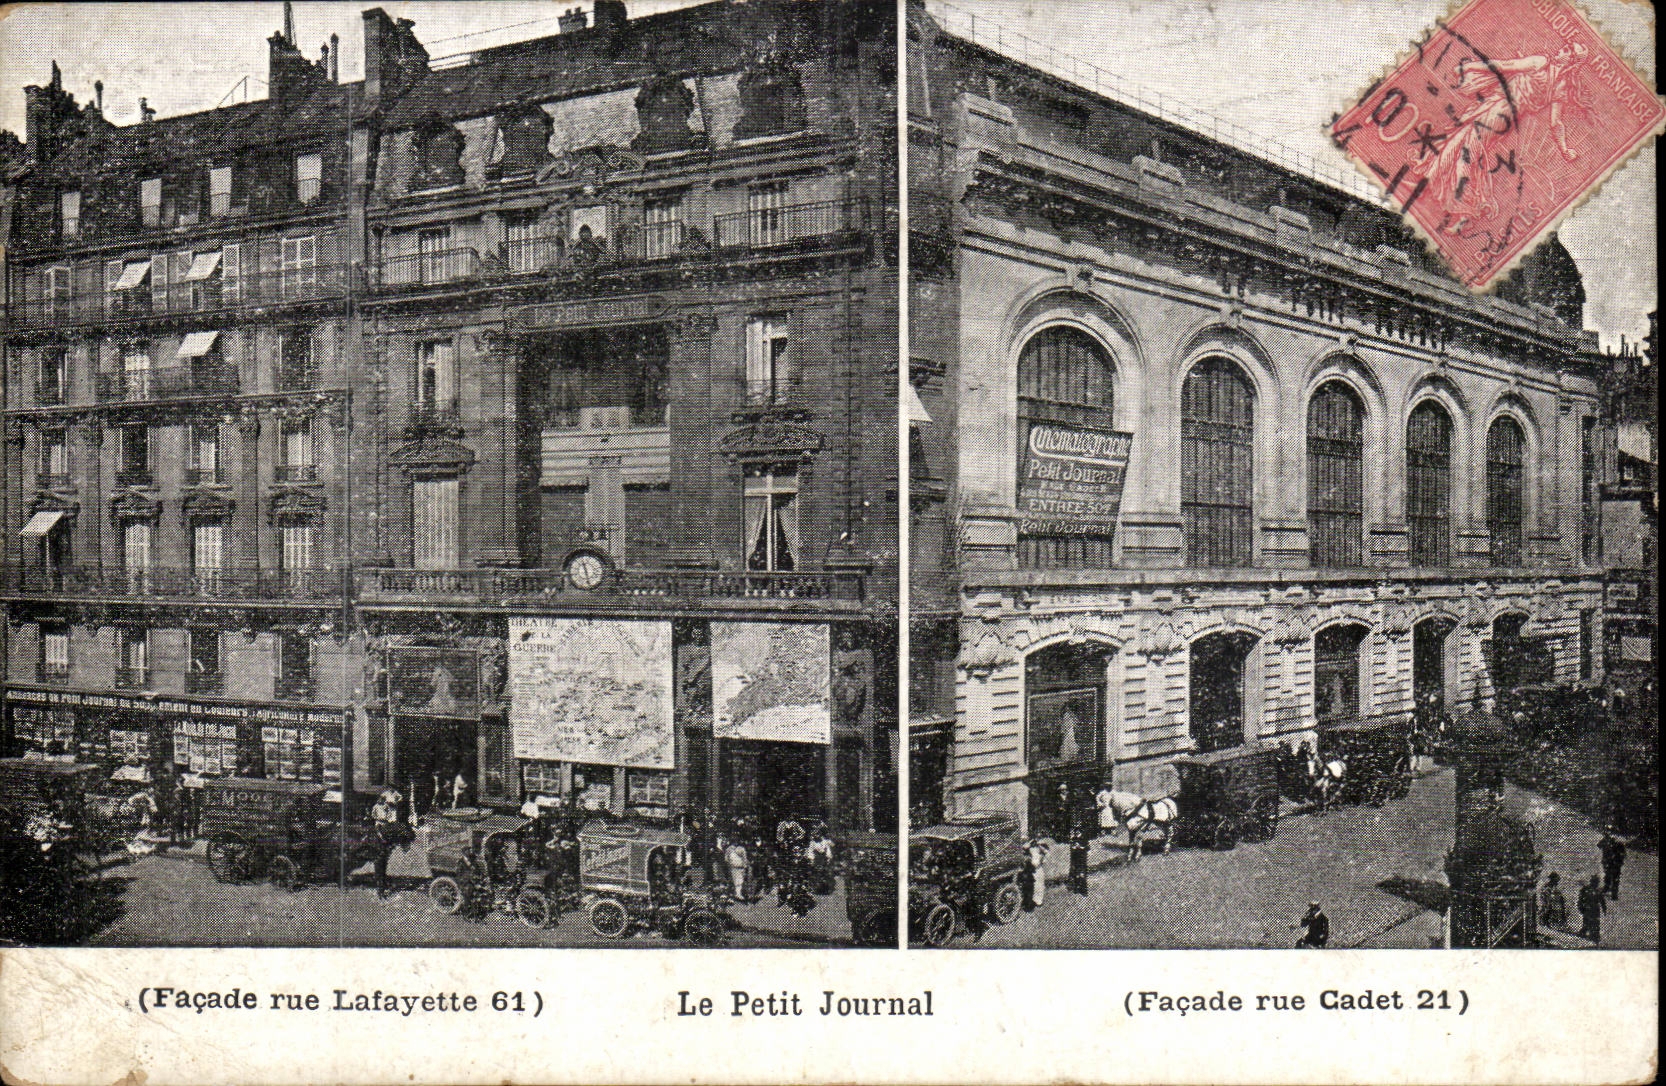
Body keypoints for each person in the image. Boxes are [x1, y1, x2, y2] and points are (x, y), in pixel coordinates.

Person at [370, 789, 402, 899]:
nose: (381, 800)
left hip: (385, 825)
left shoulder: (385, 807)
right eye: (380, 799)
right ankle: (380, 889)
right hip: (379, 825)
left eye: (382, 799)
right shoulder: (376, 807)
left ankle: (382, 885)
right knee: (380, 862)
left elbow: (389, 816)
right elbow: (374, 817)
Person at [1598, 829, 1626, 901]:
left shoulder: (1609, 841)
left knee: (1610, 876)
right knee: (1614, 878)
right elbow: (1599, 845)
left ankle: (1609, 890)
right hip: (1614, 863)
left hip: (1610, 862)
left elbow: (1599, 845)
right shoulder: (1619, 843)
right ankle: (1613, 893)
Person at [1576, 874, 1605, 943]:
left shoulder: (1598, 891)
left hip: (1595, 910)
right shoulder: (1586, 889)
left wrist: (1604, 908)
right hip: (1587, 909)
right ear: (1592, 881)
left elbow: (1602, 900)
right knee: (1587, 923)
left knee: (1596, 924)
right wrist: (1581, 908)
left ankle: (1595, 937)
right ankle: (1583, 935)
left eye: (1596, 882)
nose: (1596, 883)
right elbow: (1580, 899)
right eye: (1594, 881)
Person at [1024, 837, 1048, 910]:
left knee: (1039, 884)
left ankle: (1039, 901)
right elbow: (1024, 847)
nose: (1035, 842)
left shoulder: (1040, 847)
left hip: (1038, 867)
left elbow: (1046, 853)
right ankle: (1033, 900)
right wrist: (1031, 842)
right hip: (1032, 868)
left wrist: (1042, 859)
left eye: (1036, 840)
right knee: (1034, 885)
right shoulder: (1030, 847)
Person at [723, 836, 750, 903]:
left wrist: (745, 866)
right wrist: (728, 866)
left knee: (740, 881)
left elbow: (744, 858)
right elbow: (726, 859)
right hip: (732, 868)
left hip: (740, 867)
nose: (735, 842)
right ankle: (731, 896)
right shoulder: (729, 849)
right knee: (732, 882)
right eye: (734, 841)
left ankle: (738, 894)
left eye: (737, 841)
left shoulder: (741, 849)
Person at [1068, 821, 1090, 896]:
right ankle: (1077, 888)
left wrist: (1081, 847)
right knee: (1076, 874)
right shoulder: (1073, 839)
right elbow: (1071, 848)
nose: (1076, 833)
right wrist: (1073, 847)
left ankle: (1083, 890)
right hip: (1075, 859)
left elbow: (1087, 848)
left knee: (1082, 874)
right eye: (1075, 832)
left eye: (1078, 831)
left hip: (1082, 859)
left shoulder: (1084, 838)